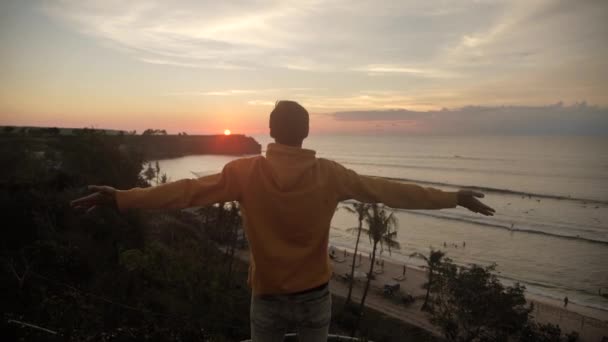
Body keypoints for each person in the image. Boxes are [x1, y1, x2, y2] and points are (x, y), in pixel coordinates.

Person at [71, 100, 495, 341]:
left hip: (267, 298)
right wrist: (451, 198)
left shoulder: (244, 172)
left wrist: (124, 198)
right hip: (314, 298)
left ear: (272, 132)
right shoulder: (331, 174)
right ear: (306, 133)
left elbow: (184, 193)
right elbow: (389, 190)